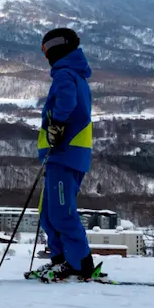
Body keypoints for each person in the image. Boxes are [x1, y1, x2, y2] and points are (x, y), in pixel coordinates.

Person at [30, 28, 103, 282]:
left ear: (54, 49)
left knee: (61, 212)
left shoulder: (65, 74)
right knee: (49, 213)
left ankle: (81, 265)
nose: (46, 56)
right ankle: (61, 261)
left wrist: (57, 124)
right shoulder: (74, 74)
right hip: (63, 155)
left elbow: (66, 102)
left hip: (65, 153)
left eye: (45, 50)